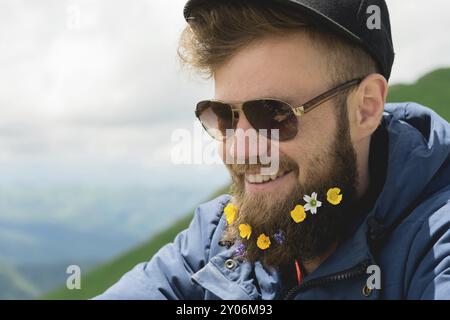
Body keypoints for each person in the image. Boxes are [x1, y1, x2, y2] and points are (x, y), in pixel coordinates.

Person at [95, 0, 450, 299]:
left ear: (366, 108)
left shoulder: (437, 244)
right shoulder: (219, 235)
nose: (240, 149)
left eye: (273, 113)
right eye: (224, 116)